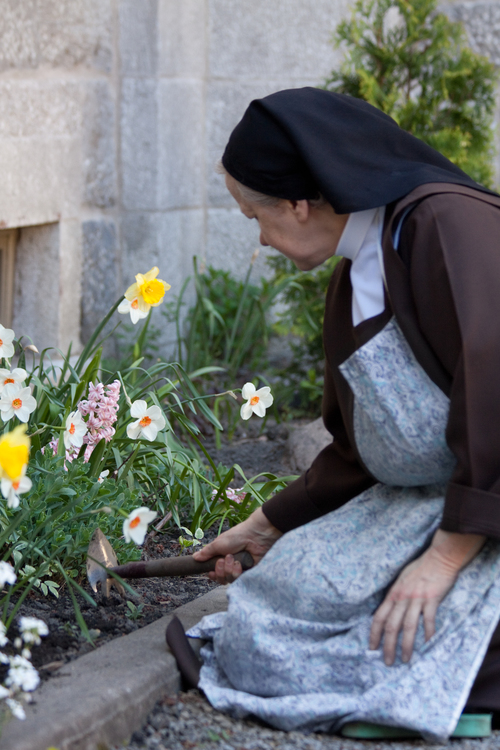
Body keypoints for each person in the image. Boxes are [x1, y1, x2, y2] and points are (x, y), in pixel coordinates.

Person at [168, 87, 500, 739]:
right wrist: (266, 524)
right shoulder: (355, 274)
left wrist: (443, 561)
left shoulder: (444, 226)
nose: (261, 241)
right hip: (434, 503)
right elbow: (361, 447)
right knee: (272, 603)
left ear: (299, 203)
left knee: (408, 624)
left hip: (483, 506)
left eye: (253, 217)